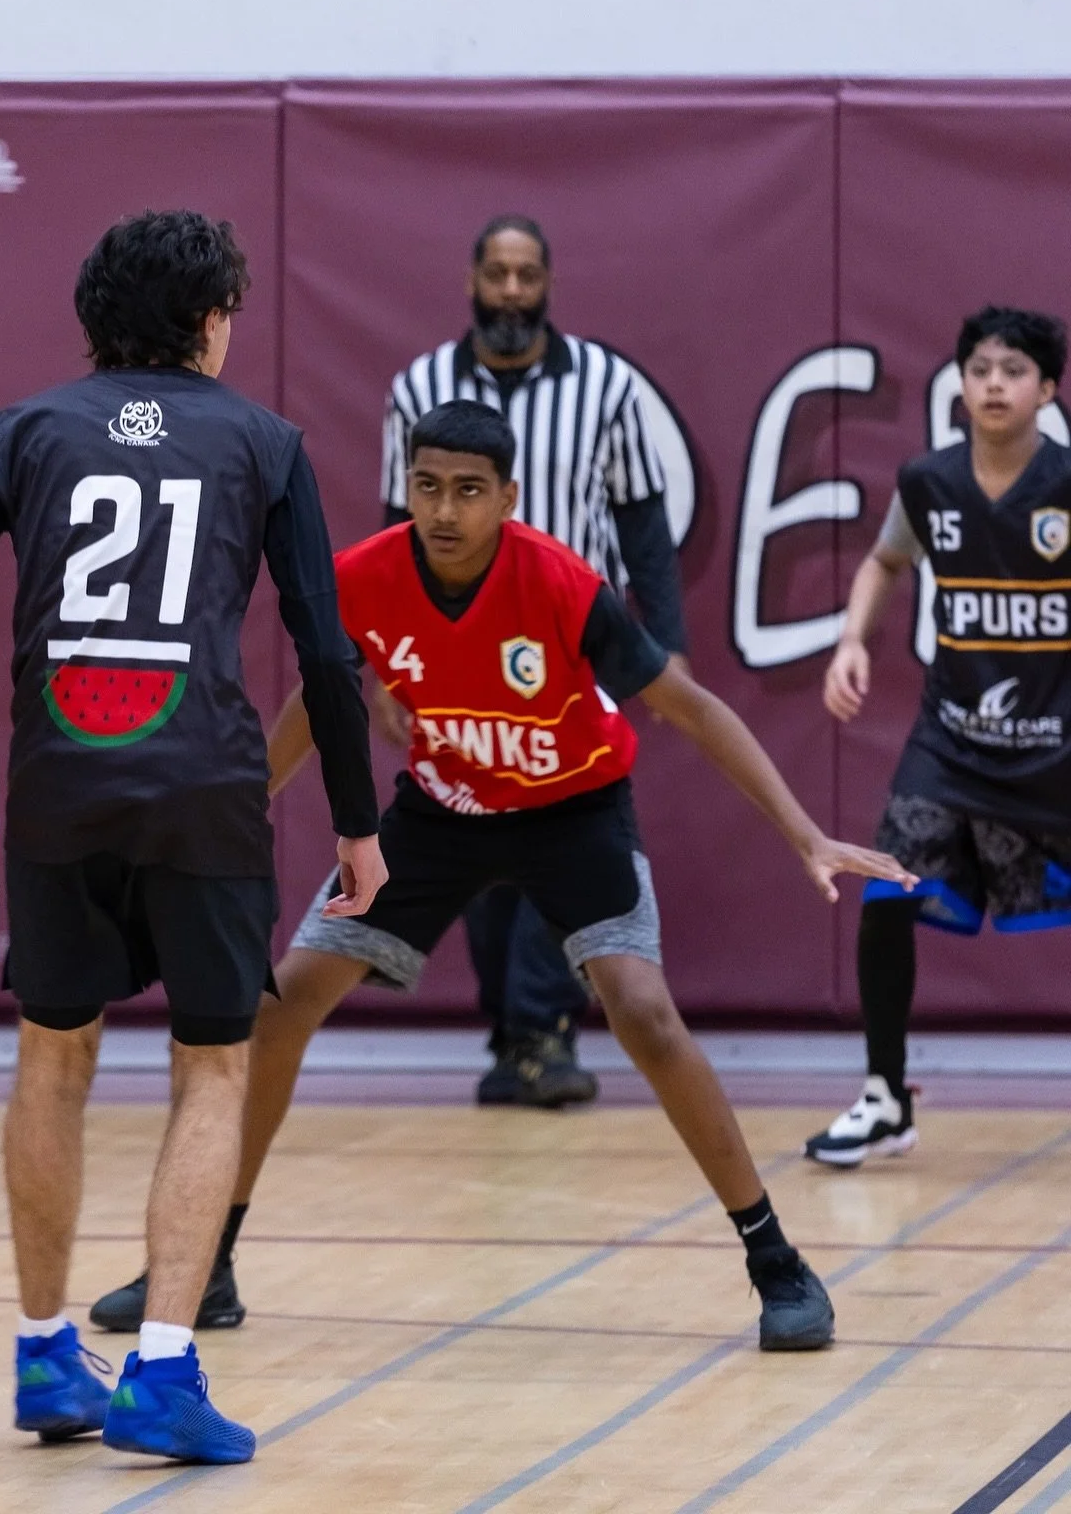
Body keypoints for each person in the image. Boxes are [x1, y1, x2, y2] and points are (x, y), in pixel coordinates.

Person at [0, 211, 385, 1464]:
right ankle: (160, 1371)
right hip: (202, 789)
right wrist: (360, 825)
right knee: (212, 1067)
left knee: (53, 1057)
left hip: (60, 789)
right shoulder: (265, 443)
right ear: (210, 322)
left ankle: (48, 1354)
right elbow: (326, 652)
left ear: (93, 319)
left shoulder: (24, 432)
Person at [96, 401, 912, 1351]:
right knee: (280, 1008)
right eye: (428, 486)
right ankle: (210, 1266)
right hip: (441, 813)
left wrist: (806, 833)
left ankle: (776, 1261)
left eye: (470, 491)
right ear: (408, 486)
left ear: (508, 498)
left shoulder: (562, 586)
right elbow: (318, 704)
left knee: (644, 1013)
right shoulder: (360, 577)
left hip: (574, 812)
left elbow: (688, 709)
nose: (445, 510)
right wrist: (237, 816)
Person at [381, 214, 688, 1108]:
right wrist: (387, 665)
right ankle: (521, 1033)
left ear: (548, 281)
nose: (511, 290)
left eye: (527, 275)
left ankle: (540, 1031)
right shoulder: (420, 387)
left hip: (574, 649)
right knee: (481, 843)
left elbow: (642, 523)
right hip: (452, 651)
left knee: (558, 833)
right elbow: (395, 530)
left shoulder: (609, 385)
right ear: (472, 278)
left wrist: (667, 653)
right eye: (497, 273)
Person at [807, 306, 1071, 1167]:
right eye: (980, 368)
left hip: (1057, 747)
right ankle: (885, 1099)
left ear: (1047, 389)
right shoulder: (928, 481)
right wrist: (852, 639)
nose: (995, 382)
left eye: (1015, 370)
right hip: (952, 742)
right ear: (960, 383)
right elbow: (886, 560)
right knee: (885, 894)